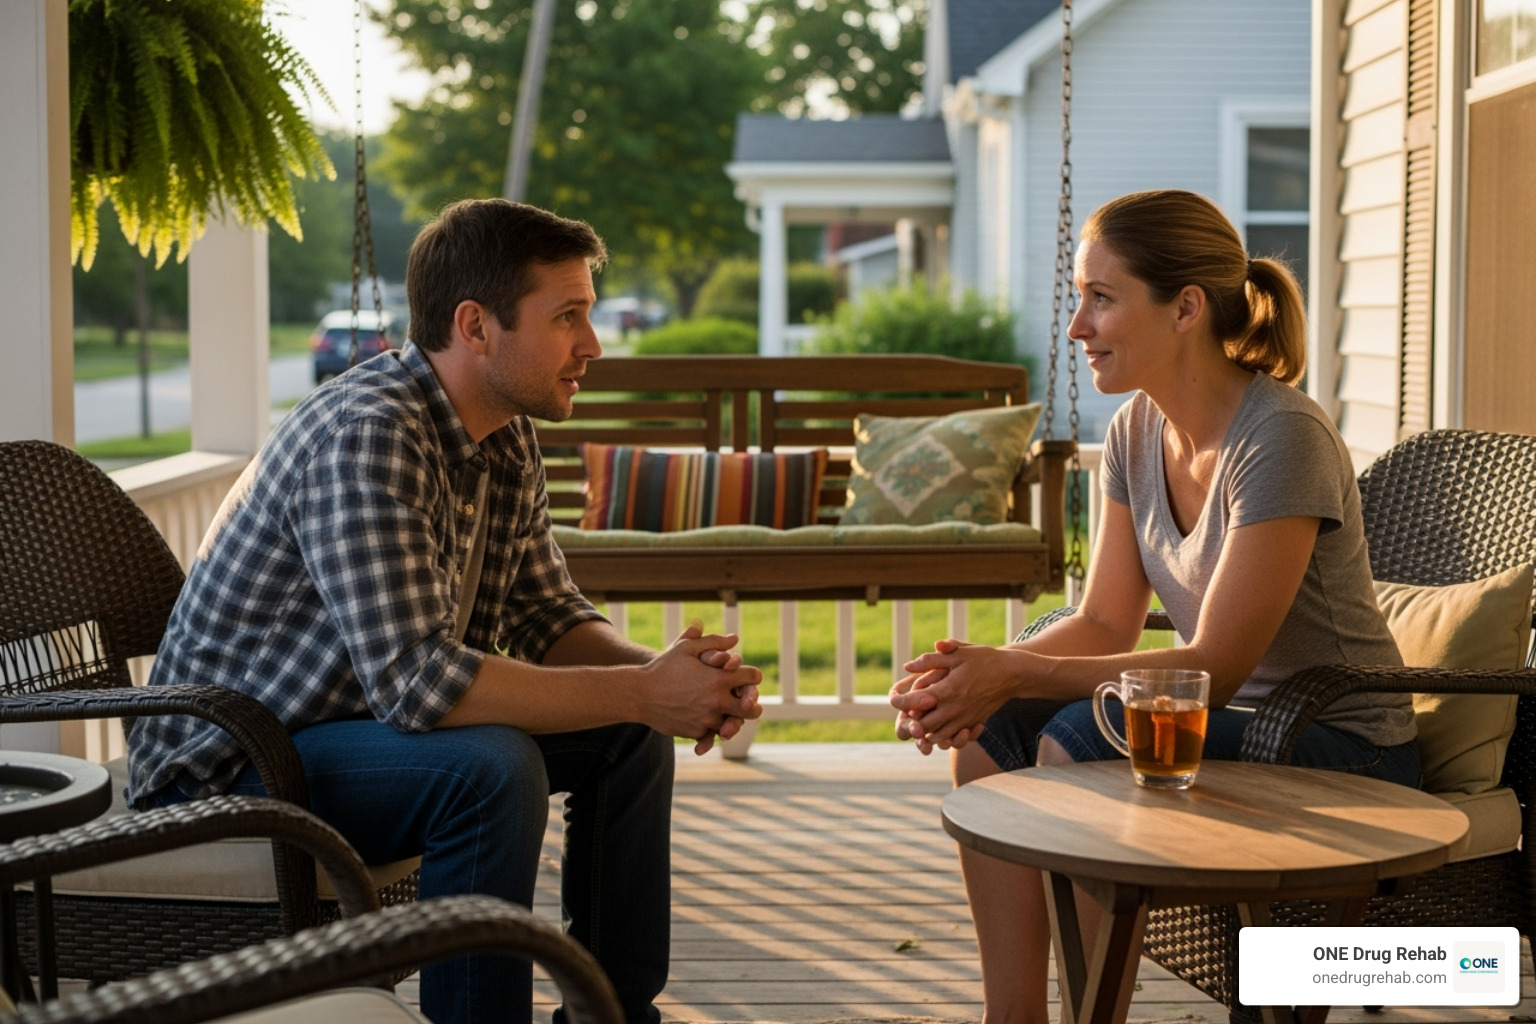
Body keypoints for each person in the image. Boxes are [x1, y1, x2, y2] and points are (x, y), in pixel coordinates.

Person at [126, 198, 763, 1024]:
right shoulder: (367, 433)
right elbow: (417, 683)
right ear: (476, 326)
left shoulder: (503, 430)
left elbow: (546, 612)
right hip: (227, 770)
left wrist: (668, 680)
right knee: (490, 768)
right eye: (567, 317)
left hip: (344, 732)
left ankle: (610, 1014)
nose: (592, 346)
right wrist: (644, 691)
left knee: (631, 736)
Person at [889, 189, 1419, 1024]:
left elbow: (1215, 664)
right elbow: (1105, 619)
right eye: (1079, 298)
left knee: (1078, 736)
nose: (1077, 326)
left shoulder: (1281, 438)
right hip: (1219, 725)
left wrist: (1019, 671)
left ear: (1185, 308)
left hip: (1341, 743)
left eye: (1101, 298)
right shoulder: (1138, 431)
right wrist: (973, 679)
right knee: (991, 736)